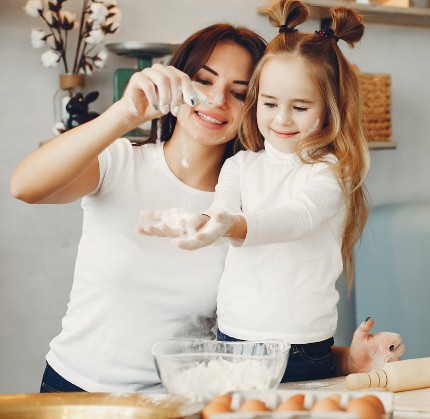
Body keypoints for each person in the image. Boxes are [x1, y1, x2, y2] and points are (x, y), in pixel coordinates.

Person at [10, 22, 401, 393]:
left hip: (181, 400)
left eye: (239, 92)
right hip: (76, 391)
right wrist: (124, 114)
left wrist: (346, 360)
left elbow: (260, 343)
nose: (216, 100)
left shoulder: (257, 200)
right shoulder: (122, 163)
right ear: (179, 79)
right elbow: (25, 186)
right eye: (204, 80)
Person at [139, 0, 385, 383]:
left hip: (302, 347)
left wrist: (230, 226)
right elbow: (220, 209)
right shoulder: (239, 165)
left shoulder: (329, 173)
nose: (282, 118)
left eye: (300, 107)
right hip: (233, 338)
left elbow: (295, 220)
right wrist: (196, 223)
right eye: (269, 104)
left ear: (330, 107)